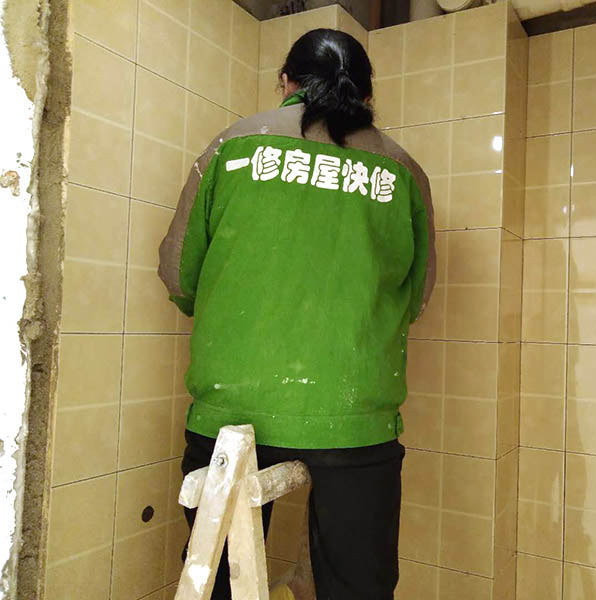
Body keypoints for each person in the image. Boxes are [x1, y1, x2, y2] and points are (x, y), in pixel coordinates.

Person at [158, 27, 436, 600]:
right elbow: (417, 295)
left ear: (286, 82)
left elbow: (179, 275)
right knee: (358, 587)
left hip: (231, 410)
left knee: (219, 580)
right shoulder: (402, 170)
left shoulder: (233, 146)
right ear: (367, 94)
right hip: (355, 417)